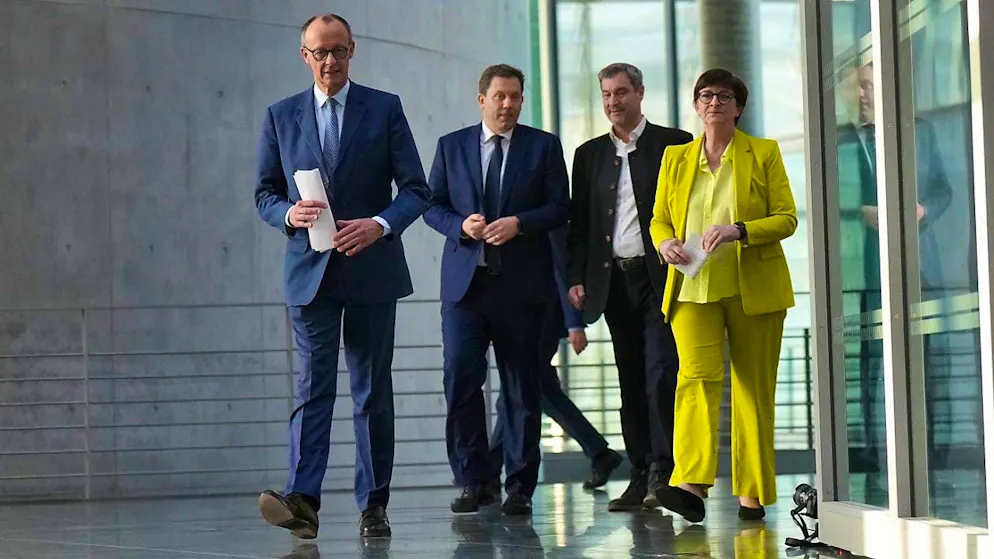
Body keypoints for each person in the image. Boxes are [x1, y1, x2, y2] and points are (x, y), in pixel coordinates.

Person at [253, 13, 430, 539]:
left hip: (372, 269)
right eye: (320, 52)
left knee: (372, 389)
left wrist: (380, 224)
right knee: (313, 387)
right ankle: (303, 500)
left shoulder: (385, 108)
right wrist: (288, 213)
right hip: (310, 273)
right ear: (304, 56)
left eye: (338, 50)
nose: (329, 61)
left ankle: (373, 505)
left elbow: (417, 190)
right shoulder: (280, 116)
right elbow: (264, 193)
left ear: (352, 50)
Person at [649, 68, 797, 523]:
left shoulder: (764, 153)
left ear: (739, 107)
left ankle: (752, 493)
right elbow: (659, 218)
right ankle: (691, 485)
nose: (714, 102)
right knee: (695, 379)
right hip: (692, 287)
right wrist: (664, 243)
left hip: (754, 288)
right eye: (706, 95)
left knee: (753, 389)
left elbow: (787, 218)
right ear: (696, 105)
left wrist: (739, 230)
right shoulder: (675, 158)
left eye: (724, 96)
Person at [423, 64, 570, 516]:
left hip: (522, 289)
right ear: (481, 99)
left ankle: (520, 486)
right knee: (461, 380)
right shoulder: (451, 146)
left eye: (515, 97)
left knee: (522, 388)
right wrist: (460, 226)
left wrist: (519, 223)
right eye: (500, 96)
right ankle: (474, 480)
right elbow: (432, 205)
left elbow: (560, 207)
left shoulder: (543, 146)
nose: (508, 105)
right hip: (465, 289)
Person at [565, 62, 691, 511]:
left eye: (621, 92)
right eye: (606, 95)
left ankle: (663, 468)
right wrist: (576, 276)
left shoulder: (675, 143)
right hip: (612, 281)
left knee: (661, 371)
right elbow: (579, 223)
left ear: (639, 92)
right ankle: (640, 472)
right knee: (630, 378)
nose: (613, 102)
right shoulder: (588, 154)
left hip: (661, 280)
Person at [488, 227, 624, 491]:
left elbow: (561, 266)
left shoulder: (542, 213)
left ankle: (491, 469)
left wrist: (574, 324)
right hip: (528, 313)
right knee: (534, 389)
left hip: (543, 316)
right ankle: (599, 452)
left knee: (520, 388)